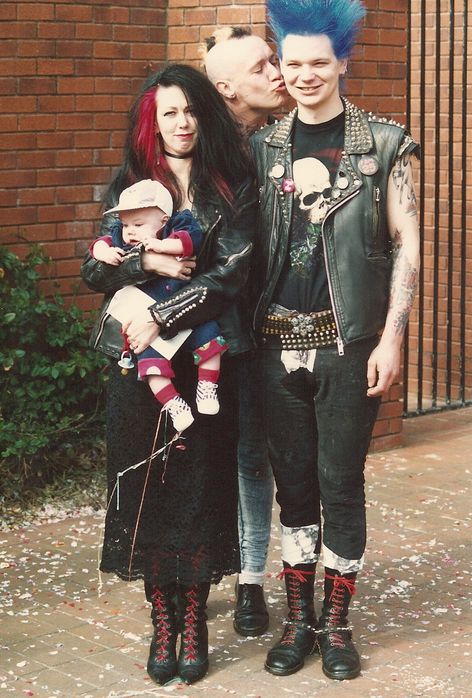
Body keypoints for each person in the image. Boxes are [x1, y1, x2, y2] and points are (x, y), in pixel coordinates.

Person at [250, 0, 420, 682]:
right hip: (272, 345)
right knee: (293, 489)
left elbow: (408, 243)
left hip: (348, 345)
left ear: (343, 62)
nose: (306, 75)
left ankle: (338, 623)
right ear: (282, 65)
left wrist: (392, 337)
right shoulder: (261, 145)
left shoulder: (383, 144)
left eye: (320, 62)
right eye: (293, 63)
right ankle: (298, 621)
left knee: (339, 484)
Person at [81, 63, 256, 686]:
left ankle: (196, 617)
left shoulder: (230, 186)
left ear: (204, 115)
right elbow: (94, 272)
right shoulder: (129, 185)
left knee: (201, 482)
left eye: (190, 111)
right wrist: (147, 257)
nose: (181, 123)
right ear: (151, 121)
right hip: (137, 366)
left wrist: (163, 312)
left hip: (205, 363)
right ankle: (163, 617)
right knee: (150, 485)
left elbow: (230, 274)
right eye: (169, 113)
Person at [202, 27, 288, 638]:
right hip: (208, 332)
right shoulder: (200, 159)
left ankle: (251, 582)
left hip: (263, 335)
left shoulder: (278, 145)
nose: (277, 70)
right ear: (226, 88)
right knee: (204, 457)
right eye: (262, 65)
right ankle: (197, 571)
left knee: (252, 460)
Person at [92, 178, 228, 432]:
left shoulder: (178, 225)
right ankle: (173, 404)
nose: (129, 231)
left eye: (138, 224)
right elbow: (98, 247)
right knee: (151, 367)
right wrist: (104, 253)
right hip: (145, 322)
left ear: (164, 221)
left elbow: (188, 243)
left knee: (211, 343)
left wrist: (160, 246)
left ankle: (207, 386)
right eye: (125, 225)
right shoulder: (125, 240)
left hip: (186, 312)